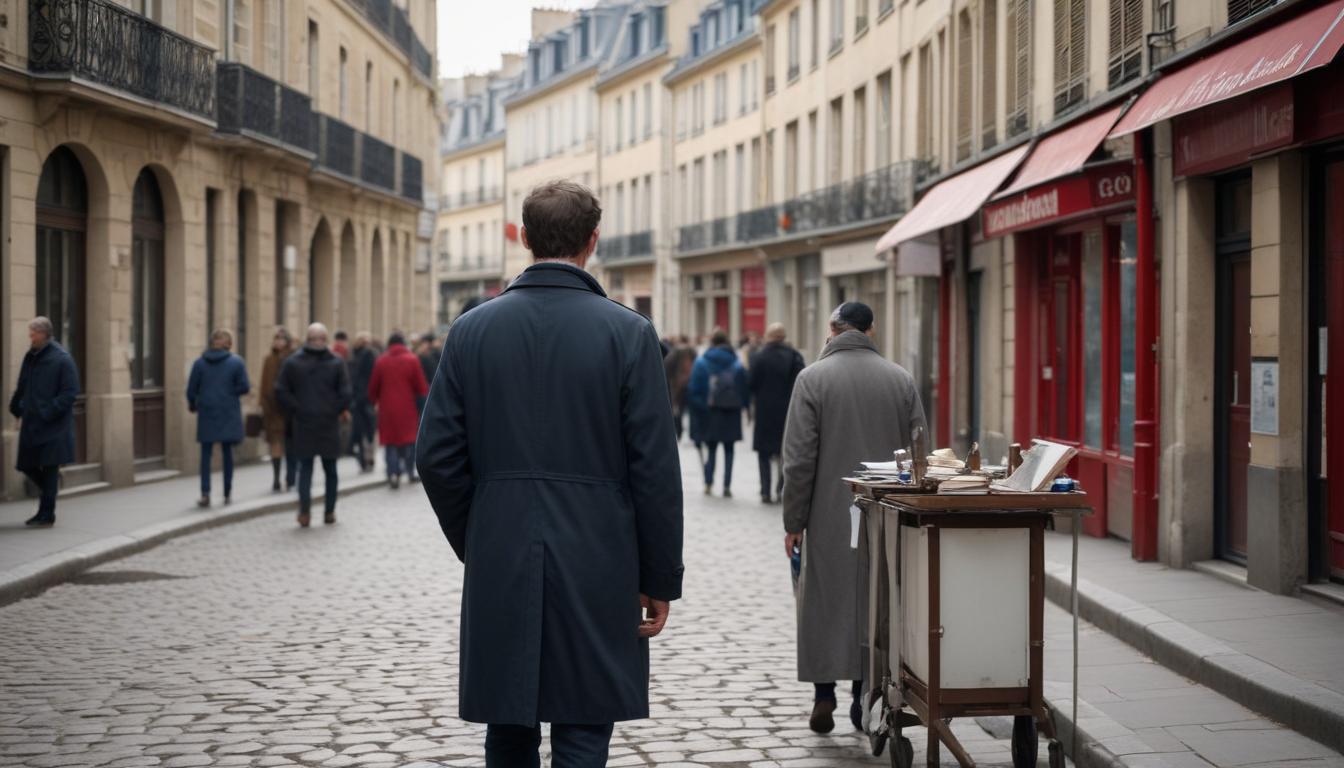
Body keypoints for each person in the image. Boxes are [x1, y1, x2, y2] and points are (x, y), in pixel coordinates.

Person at [417, 180, 683, 767]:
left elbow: (435, 455)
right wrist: (658, 575)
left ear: (526, 238)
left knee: (508, 723)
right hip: (599, 552)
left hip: (502, 547)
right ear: (592, 241)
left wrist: (482, 529)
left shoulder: (470, 331)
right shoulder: (629, 333)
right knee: (585, 724)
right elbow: (655, 469)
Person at [781, 302, 927, 734]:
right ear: (872, 330)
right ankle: (864, 696)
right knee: (876, 600)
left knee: (824, 601)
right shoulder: (900, 379)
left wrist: (794, 521)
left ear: (832, 330)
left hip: (828, 514)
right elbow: (920, 452)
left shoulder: (812, 379)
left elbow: (799, 461)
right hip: (885, 513)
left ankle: (823, 693)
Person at [274, 323, 352, 527]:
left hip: (323, 422)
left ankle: (327, 511)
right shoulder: (294, 363)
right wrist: (297, 408)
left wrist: (331, 409)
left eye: (320, 338)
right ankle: (306, 511)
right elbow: (281, 390)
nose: (318, 341)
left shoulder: (335, 362)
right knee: (308, 469)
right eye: (315, 338)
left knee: (327, 469)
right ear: (309, 339)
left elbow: (345, 392)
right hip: (306, 422)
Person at [7, 317, 79, 528]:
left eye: (33, 334)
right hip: (31, 424)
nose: (30, 337)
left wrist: (48, 411)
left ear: (44, 334)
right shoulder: (31, 356)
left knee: (48, 468)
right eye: (30, 334)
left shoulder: (62, 359)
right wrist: (15, 407)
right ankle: (51, 489)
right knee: (26, 465)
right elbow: (22, 385)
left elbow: (70, 393)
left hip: (53, 426)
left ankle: (46, 513)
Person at [186, 329, 251, 507]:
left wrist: (194, 404)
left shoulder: (199, 363)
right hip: (228, 411)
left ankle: (205, 493)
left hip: (207, 411)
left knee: (206, 454)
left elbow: (191, 390)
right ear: (228, 344)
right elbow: (245, 387)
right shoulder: (237, 362)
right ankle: (227, 492)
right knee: (227, 452)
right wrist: (229, 393)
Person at [687, 330, 749, 498]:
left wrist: (702, 408)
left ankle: (708, 482)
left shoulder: (702, 362)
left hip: (710, 412)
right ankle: (727, 486)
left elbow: (693, 390)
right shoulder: (736, 362)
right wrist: (744, 407)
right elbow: (744, 387)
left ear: (712, 342)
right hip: (731, 411)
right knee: (729, 450)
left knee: (712, 448)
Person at [749, 323, 805, 504]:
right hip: (788, 411)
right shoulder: (794, 356)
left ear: (768, 336)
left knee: (763, 454)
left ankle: (765, 490)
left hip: (765, 411)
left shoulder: (759, 357)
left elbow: (751, 383)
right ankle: (780, 488)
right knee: (785, 453)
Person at [368, 332, 428, 489]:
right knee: (409, 441)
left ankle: (392, 473)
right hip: (407, 407)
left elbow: (373, 386)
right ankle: (410, 471)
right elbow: (421, 387)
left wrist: (374, 401)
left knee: (390, 442)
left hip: (387, 408)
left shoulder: (381, 361)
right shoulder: (412, 360)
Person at [259, 328, 296, 491]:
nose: (278, 341)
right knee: (275, 444)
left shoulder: (294, 359)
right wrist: (264, 404)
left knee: (290, 445)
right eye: (276, 338)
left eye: (281, 338)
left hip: (290, 409)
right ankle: (276, 479)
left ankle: (290, 477)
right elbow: (264, 383)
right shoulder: (269, 359)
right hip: (273, 409)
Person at [347, 332, 378, 472]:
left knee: (365, 431)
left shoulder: (367, 355)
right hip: (362, 399)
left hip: (364, 399)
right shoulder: (355, 355)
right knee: (365, 431)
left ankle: (366, 458)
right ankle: (366, 457)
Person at [663, 336, 696, 443]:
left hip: (678, 385)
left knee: (678, 410)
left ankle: (679, 432)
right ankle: (693, 433)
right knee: (692, 410)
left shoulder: (675, 352)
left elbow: (667, 367)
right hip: (692, 384)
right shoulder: (692, 351)